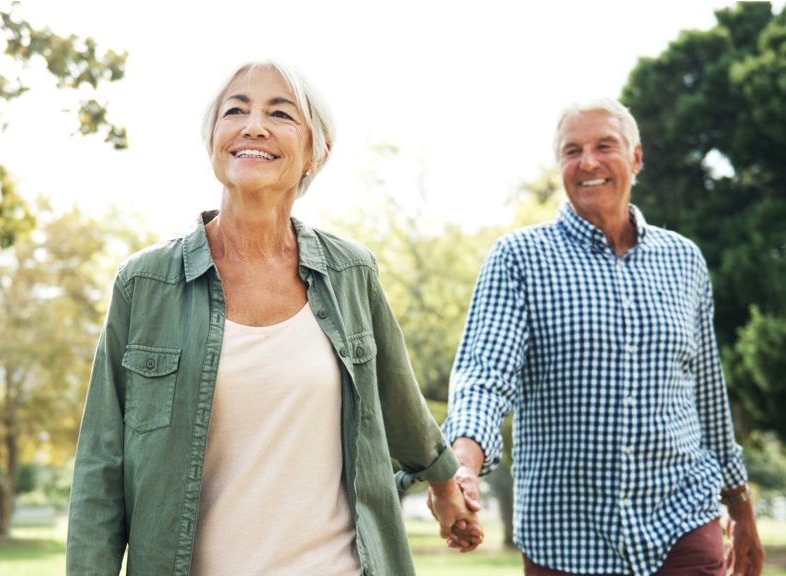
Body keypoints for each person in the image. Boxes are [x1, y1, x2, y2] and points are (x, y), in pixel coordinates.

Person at [66, 59, 481, 576]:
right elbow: (101, 471)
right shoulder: (145, 283)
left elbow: (399, 405)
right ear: (214, 140)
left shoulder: (351, 272)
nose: (253, 125)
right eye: (235, 110)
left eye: (280, 113)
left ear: (315, 153)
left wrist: (446, 485)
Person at [440, 97, 764, 576]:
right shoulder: (519, 258)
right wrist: (461, 465)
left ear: (635, 157)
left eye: (604, 146)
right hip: (565, 534)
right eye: (572, 151)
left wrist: (739, 503)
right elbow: (485, 378)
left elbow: (708, 395)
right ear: (560, 167)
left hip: (683, 521)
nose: (588, 161)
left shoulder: (684, 260)